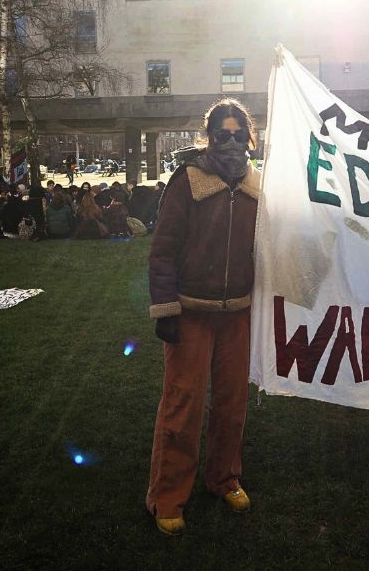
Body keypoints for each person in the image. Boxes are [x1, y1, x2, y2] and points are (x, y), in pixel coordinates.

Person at [146, 98, 262, 535]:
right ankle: (167, 495)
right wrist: (165, 309)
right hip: (190, 312)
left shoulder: (257, 184)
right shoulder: (187, 180)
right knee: (183, 405)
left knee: (232, 405)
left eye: (237, 133)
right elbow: (163, 250)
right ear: (209, 137)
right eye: (221, 134)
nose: (230, 141)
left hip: (237, 313)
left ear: (248, 137)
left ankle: (224, 478)